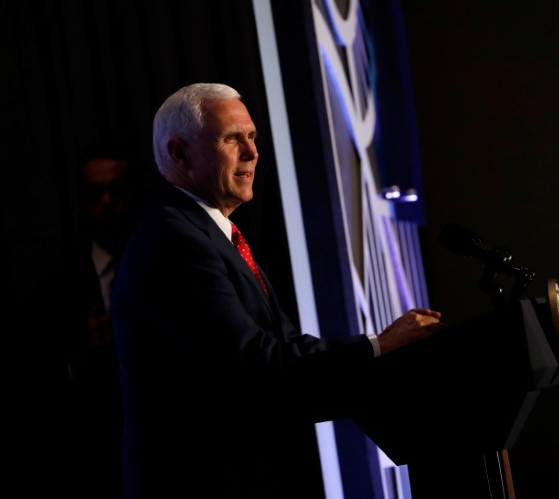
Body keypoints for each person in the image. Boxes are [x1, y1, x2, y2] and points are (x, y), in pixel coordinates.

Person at [111, 82, 443, 498]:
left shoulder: (213, 234)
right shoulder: (174, 240)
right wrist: (377, 346)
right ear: (179, 152)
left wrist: (384, 363)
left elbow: (282, 346)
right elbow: (257, 365)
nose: (251, 153)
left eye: (251, 137)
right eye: (231, 139)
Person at [61, 145, 143, 498]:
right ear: (82, 201)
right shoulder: (59, 288)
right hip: (96, 462)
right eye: (95, 193)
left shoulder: (169, 267)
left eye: (117, 189)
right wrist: (81, 354)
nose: (107, 202)